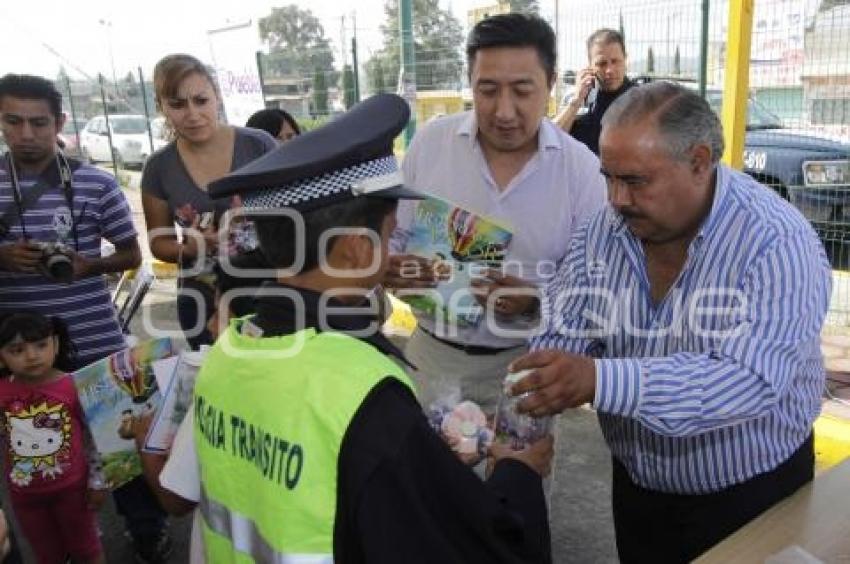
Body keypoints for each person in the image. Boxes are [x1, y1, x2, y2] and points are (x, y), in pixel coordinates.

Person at [185, 93, 554, 562]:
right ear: (358, 250)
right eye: (386, 234)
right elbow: (473, 545)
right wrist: (516, 472)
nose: (392, 250)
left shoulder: (227, 352)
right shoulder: (364, 390)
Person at [511, 82, 832, 562]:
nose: (617, 198)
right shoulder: (604, 231)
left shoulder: (777, 242)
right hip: (638, 485)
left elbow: (747, 380)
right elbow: (566, 320)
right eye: (608, 177)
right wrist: (542, 379)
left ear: (699, 161)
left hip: (751, 491)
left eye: (636, 181)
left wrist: (598, 378)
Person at [387, 13, 606, 412]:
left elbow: (598, 286)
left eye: (522, 91)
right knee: (419, 474)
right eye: (487, 90)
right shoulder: (432, 144)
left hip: (525, 366)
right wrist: (392, 269)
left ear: (551, 83)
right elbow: (394, 239)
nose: (504, 112)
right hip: (430, 358)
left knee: (516, 474)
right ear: (470, 83)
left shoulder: (581, 171)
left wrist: (537, 302)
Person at [0, 74, 169, 564]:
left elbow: (131, 254)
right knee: (32, 452)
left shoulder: (96, 183)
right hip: (19, 353)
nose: (27, 133)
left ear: (59, 123)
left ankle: (146, 532)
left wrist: (87, 265)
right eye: (14, 121)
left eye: (38, 122)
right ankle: (47, 539)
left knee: (122, 449)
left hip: (96, 341)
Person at [131, 250, 274, 564]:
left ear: (248, 324)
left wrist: (147, 445)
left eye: (217, 313)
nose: (209, 326)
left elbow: (175, 501)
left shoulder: (217, 388)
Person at [141, 54, 276, 350]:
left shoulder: (259, 145)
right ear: (161, 107)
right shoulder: (158, 167)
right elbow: (158, 243)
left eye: (201, 100)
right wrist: (190, 246)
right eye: (177, 104)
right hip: (200, 299)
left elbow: (296, 215)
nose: (192, 114)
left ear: (217, 97)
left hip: (267, 290)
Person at [0, 312, 108, 564]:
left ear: (56, 344)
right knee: (47, 555)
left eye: (41, 345)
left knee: (88, 550)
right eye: (17, 350)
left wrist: (99, 481)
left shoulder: (74, 386)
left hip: (75, 492)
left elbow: (95, 438)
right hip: (24, 496)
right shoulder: (2, 391)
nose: (31, 355)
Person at [553, 28, 634, 155]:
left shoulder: (642, 100)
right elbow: (550, 140)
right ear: (590, 67)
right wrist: (576, 101)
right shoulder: (586, 106)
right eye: (602, 64)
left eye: (615, 61)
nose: (609, 70)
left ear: (625, 60)